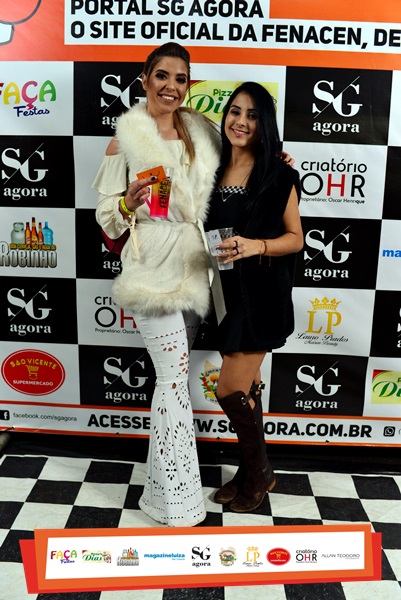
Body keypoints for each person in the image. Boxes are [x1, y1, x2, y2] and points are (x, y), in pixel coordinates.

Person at [93, 42, 221, 527]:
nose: (171, 86)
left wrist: (276, 161)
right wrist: (127, 201)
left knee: (174, 379)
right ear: (145, 78)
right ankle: (178, 503)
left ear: (189, 84)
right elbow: (106, 216)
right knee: (171, 378)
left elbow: (238, 171)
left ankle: (160, 492)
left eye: (180, 78)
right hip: (150, 270)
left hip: (193, 266)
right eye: (162, 75)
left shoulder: (200, 132)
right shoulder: (124, 141)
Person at [204, 81, 304, 513]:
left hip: (262, 297)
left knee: (229, 389)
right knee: (248, 387)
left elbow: (296, 238)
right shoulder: (210, 169)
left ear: (265, 125)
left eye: (252, 115)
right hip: (223, 293)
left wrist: (256, 245)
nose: (241, 122)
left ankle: (260, 472)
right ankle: (250, 472)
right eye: (235, 111)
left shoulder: (279, 174)